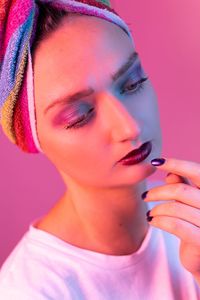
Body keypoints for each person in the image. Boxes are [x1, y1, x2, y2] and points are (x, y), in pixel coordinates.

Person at [0, 0, 200, 299]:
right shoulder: (31, 290)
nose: (129, 127)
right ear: (33, 139)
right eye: (79, 116)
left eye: (132, 84)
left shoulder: (189, 222)